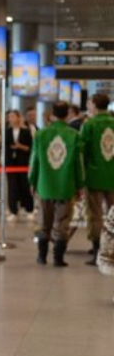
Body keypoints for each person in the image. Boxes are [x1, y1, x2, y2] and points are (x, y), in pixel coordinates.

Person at [29, 101, 84, 266]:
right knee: (62, 222)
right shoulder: (74, 135)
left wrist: (32, 181)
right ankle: (58, 258)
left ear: (52, 114)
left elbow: (34, 161)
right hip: (65, 186)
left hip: (44, 185)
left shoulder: (41, 134)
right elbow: (78, 164)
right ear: (67, 114)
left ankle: (41, 256)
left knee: (43, 222)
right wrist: (80, 185)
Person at [77, 93, 114, 265]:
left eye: (89, 103)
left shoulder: (89, 125)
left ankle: (99, 250)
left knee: (96, 215)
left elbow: (82, 152)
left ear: (94, 105)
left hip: (94, 176)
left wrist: (80, 177)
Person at [4, 109, 34, 221]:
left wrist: (20, 146)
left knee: (24, 186)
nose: (10, 119)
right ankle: (13, 210)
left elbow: (30, 148)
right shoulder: (6, 132)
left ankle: (28, 208)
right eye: (9, 117)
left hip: (23, 163)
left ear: (18, 117)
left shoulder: (26, 132)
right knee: (12, 187)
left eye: (13, 116)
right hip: (11, 164)